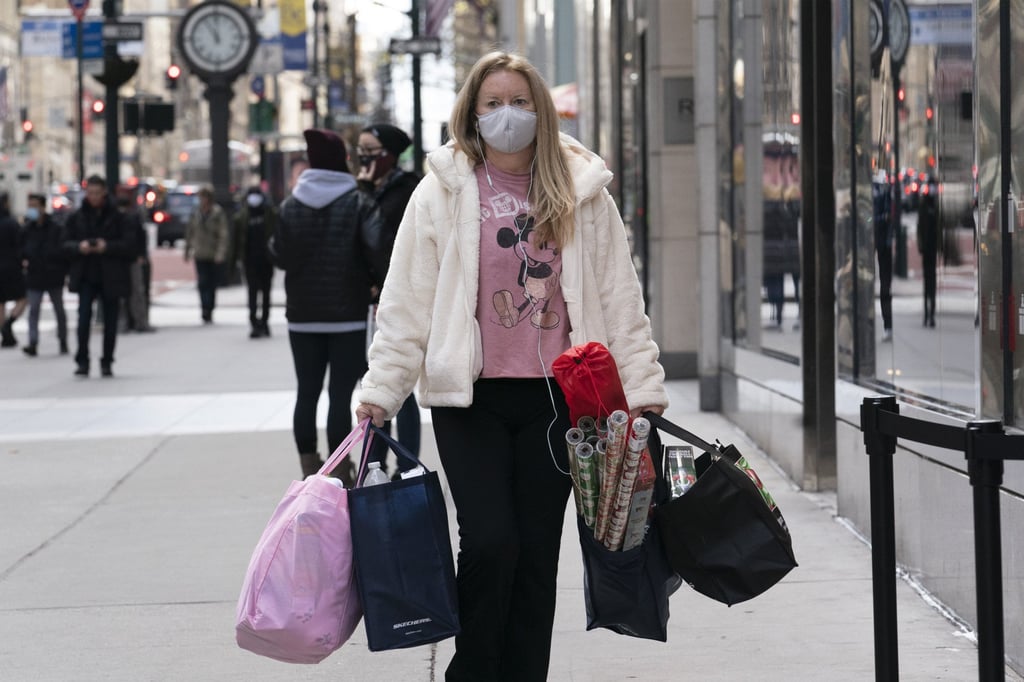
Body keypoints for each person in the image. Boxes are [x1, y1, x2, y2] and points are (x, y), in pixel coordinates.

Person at [355, 52, 668, 681]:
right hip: (469, 398)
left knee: (536, 555)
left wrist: (641, 388)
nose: (507, 115)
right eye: (493, 103)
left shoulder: (582, 192)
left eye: (520, 102)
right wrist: (381, 390)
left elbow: (617, 296)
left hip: (559, 403)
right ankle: (472, 671)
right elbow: (407, 301)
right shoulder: (441, 191)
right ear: (472, 111)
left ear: (541, 110)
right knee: (491, 541)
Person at [270, 129, 388, 483]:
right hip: (347, 316)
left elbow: (278, 254)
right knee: (339, 394)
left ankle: (309, 465)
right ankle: (338, 468)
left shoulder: (291, 205)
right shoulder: (358, 201)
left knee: (306, 392)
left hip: (302, 316)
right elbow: (378, 249)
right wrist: (372, 283)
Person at [356, 122, 423, 472]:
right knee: (374, 385)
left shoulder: (408, 190)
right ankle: (374, 463)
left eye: (370, 150)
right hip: (369, 299)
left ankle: (407, 462)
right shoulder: (366, 189)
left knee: (401, 386)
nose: (363, 156)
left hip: (396, 297)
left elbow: (384, 243)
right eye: (360, 149)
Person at [61, 175, 134, 377]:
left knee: (110, 322)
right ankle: (82, 360)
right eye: (90, 193)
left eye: (96, 193)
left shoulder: (118, 217)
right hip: (86, 275)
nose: (93, 197)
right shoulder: (77, 217)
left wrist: (107, 246)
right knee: (83, 319)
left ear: (104, 193)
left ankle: (107, 361)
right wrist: (80, 247)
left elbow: (129, 245)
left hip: (110, 276)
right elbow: (65, 244)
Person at [20, 193, 68, 356]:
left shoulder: (55, 227)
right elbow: (21, 250)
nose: (32, 209)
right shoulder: (27, 229)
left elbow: (61, 249)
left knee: (59, 310)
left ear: (42, 207)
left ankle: (63, 339)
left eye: (34, 205)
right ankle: (33, 342)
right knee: (33, 310)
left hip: (53, 274)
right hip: (35, 274)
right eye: (30, 206)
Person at [233, 186, 277, 338]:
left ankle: (264, 322)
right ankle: (254, 322)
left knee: (265, 293)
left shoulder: (270, 213)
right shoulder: (242, 216)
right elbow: (237, 241)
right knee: (252, 293)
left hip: (266, 261)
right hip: (250, 261)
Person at [184, 186, 230, 324]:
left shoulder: (217, 212)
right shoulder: (196, 212)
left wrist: (220, 253)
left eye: (203, 197)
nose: (201, 200)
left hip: (212, 252)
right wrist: (187, 250)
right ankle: (204, 308)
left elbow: (223, 234)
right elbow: (189, 232)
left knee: (211, 283)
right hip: (199, 252)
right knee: (202, 282)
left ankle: (209, 308)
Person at [118, 195, 155, 333]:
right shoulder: (131, 218)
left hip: (128, 258)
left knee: (133, 292)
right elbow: (141, 236)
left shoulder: (127, 218)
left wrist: (141, 255)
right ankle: (137, 322)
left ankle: (132, 322)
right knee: (135, 292)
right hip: (128, 258)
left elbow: (140, 237)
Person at [0, 192, 27, 348]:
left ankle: (5, 333)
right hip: (11, 267)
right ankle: (8, 325)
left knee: (1, 303)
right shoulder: (11, 223)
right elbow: (19, 244)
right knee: (22, 298)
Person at [872, 170, 894, 341]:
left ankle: (887, 324)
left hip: (880, 242)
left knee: (884, 286)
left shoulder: (884, 194)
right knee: (882, 285)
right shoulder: (883, 193)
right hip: (880, 242)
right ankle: (886, 324)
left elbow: (886, 218)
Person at [918, 175, 939, 328]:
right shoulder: (924, 204)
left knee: (932, 283)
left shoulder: (936, 204)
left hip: (932, 249)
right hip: (926, 249)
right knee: (928, 283)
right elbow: (920, 227)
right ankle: (927, 313)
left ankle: (931, 314)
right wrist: (921, 246)